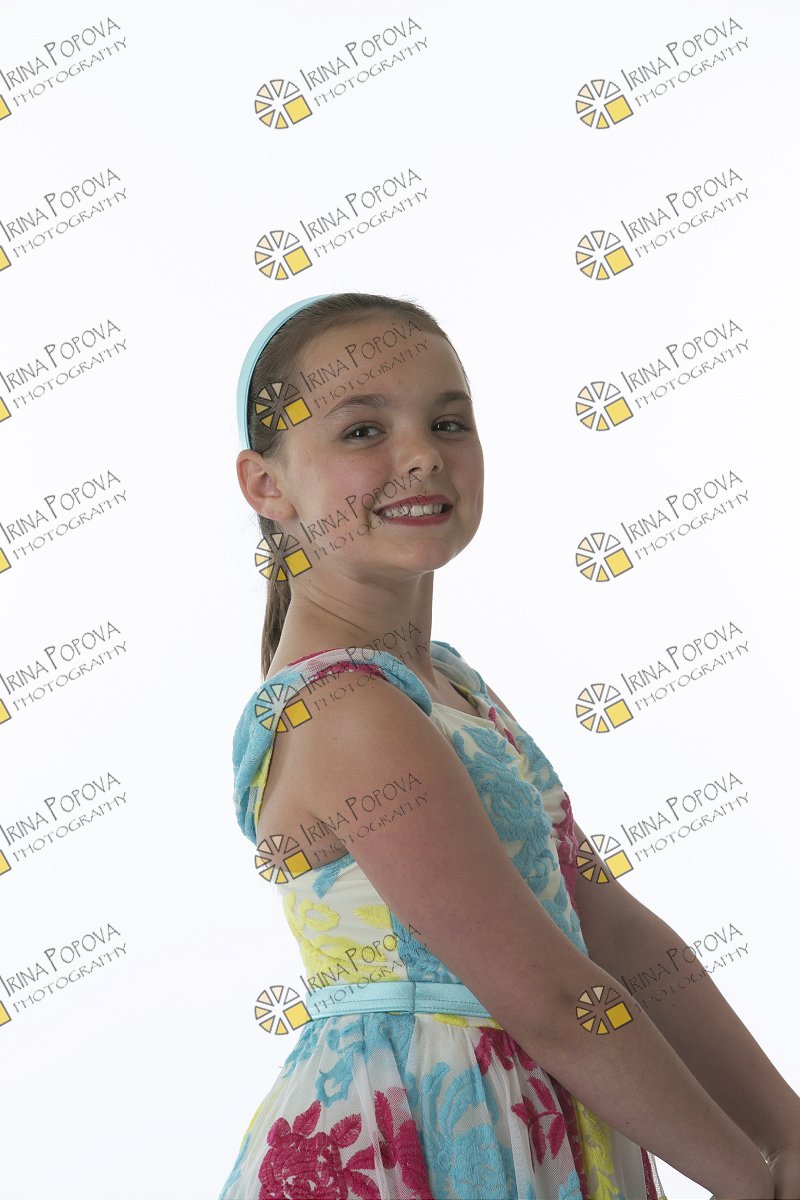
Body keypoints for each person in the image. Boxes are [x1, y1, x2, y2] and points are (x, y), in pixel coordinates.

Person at [218, 292, 799, 1200]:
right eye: (363, 430)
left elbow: (609, 930)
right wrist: (752, 1185)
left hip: (538, 1116)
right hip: (427, 1140)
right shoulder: (346, 711)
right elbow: (551, 1001)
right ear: (267, 485)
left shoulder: (452, 689)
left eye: (448, 422)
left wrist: (788, 1136)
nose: (422, 453)